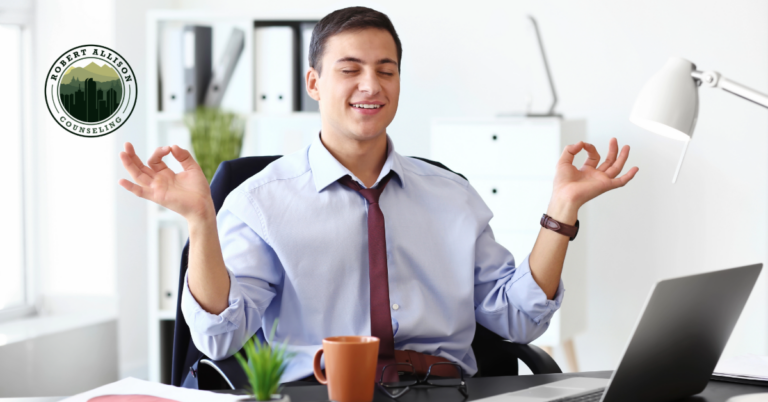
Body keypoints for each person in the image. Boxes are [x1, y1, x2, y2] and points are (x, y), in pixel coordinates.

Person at [118, 6, 638, 383]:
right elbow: (218, 339)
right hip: (321, 395)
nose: (371, 85)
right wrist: (201, 223)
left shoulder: (451, 195)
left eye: (386, 70)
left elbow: (518, 316)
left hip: (446, 392)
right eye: (350, 70)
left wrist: (561, 211)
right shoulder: (260, 201)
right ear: (314, 83)